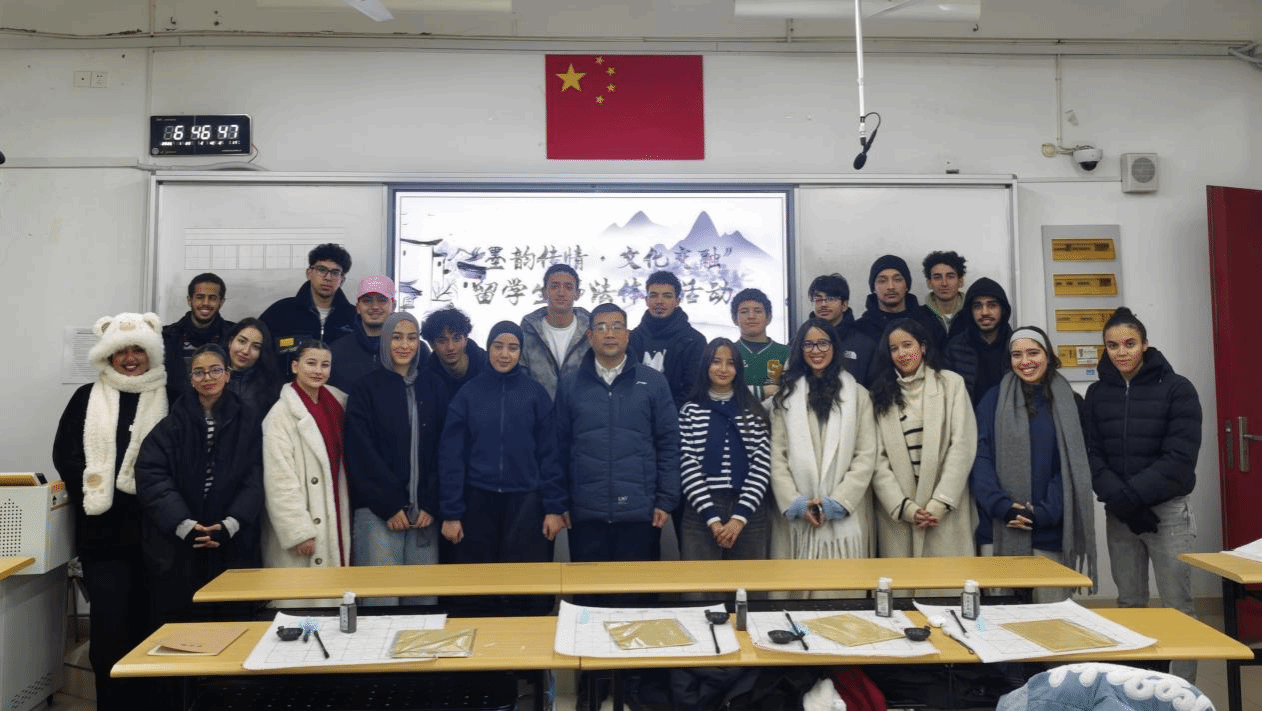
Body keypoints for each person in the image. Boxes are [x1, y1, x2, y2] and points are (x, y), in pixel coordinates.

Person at [52, 312, 168, 711]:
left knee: (153, 634)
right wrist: (100, 492)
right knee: (109, 636)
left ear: (151, 352)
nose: (130, 358)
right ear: (108, 355)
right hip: (103, 539)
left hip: (157, 540)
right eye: (121, 351)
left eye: (138, 349)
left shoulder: (171, 397)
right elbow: (66, 456)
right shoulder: (86, 397)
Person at [1084, 308, 1202, 681]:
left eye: (1130, 344)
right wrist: (1122, 501)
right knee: (1130, 605)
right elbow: (1092, 454)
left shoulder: (1177, 388)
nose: (1121, 352)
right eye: (1113, 345)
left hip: (1167, 513)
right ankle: (1135, 687)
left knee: (1177, 607)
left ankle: (1181, 692)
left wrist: (1132, 497)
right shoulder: (1097, 393)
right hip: (1121, 514)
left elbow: (1179, 459)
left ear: (1145, 344)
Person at [438, 321, 565, 616]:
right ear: (488, 348)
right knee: (478, 589)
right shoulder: (469, 393)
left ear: (520, 352)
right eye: (498, 346)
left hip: (526, 504)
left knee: (525, 587)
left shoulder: (535, 394)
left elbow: (551, 456)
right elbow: (451, 457)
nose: (504, 354)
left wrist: (554, 508)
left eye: (512, 348)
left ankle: (526, 645)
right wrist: (451, 513)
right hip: (477, 502)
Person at [135, 344, 263, 623]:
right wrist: (183, 523)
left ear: (227, 375)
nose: (208, 378)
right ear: (191, 379)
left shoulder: (249, 420)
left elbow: (256, 477)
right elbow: (151, 475)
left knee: (233, 621)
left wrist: (231, 523)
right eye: (199, 372)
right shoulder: (172, 423)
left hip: (233, 537)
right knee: (185, 622)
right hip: (182, 541)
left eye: (215, 370)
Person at [970, 326, 1096, 603]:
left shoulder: (1071, 403)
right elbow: (980, 458)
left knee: (1051, 616)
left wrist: (1043, 513)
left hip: (1049, 530)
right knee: (1001, 617)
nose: (1025, 361)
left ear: (1048, 355)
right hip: (999, 528)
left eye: (1033, 353)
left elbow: (1073, 468)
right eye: (1017, 355)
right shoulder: (992, 400)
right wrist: (1002, 507)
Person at [556, 303, 680, 580]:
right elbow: (559, 447)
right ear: (590, 337)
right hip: (586, 513)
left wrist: (665, 500)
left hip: (640, 513)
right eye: (601, 328)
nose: (609, 334)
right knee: (588, 596)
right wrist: (559, 502)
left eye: (616, 327)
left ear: (627, 335)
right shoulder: (570, 384)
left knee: (637, 596)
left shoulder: (653, 382)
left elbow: (669, 444)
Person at [768, 318, 877, 596]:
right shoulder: (785, 397)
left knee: (840, 600)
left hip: (844, 512)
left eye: (823, 343)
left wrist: (837, 503)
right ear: (800, 349)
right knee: (795, 598)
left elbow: (866, 455)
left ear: (834, 347)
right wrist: (796, 503)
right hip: (797, 516)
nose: (816, 350)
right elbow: (777, 456)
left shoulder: (858, 395)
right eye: (808, 344)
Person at [344, 313, 443, 606]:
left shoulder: (434, 386)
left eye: (412, 338)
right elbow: (361, 452)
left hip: (424, 515)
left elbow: (444, 449)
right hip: (378, 513)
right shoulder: (365, 389)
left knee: (422, 601)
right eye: (397, 337)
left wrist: (431, 502)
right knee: (380, 600)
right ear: (385, 340)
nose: (404, 345)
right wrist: (389, 504)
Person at [869, 319, 977, 561]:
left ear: (923, 346)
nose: (901, 353)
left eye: (907, 345)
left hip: (945, 512)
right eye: (894, 348)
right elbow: (877, 460)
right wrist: (905, 507)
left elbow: (962, 445)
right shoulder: (878, 395)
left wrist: (940, 502)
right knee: (903, 583)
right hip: (899, 517)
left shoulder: (951, 384)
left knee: (947, 581)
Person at [261, 340, 350, 604]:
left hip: (335, 507)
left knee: (334, 596)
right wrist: (298, 532)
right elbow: (279, 480)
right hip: (307, 517)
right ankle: (305, 630)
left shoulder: (338, 401)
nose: (318, 371)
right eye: (311, 363)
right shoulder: (279, 416)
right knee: (303, 605)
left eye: (325, 365)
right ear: (294, 366)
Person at [678, 337, 772, 563]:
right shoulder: (690, 411)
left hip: (749, 511)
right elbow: (688, 466)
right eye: (716, 362)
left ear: (738, 369)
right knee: (700, 583)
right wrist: (712, 518)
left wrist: (739, 517)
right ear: (705, 365)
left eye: (730, 363)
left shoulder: (753, 411)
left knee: (749, 582)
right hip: (701, 511)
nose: (723, 369)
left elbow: (761, 466)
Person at [260, 243, 357, 361]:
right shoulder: (280, 311)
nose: (328, 277)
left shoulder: (353, 317)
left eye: (335, 272)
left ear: (342, 280)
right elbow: (257, 349)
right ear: (309, 273)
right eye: (321, 270)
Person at [331, 275, 426, 392]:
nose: (375, 307)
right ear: (358, 307)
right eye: (367, 301)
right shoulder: (337, 350)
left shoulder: (416, 349)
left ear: (393, 305)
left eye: (382, 300)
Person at [628, 269, 707, 409]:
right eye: (653, 295)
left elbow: (693, 389)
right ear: (646, 300)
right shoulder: (631, 339)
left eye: (667, 296)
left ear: (677, 301)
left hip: (678, 418)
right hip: (635, 416)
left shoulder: (695, 341)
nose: (659, 301)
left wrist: (666, 417)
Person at [519, 263, 591, 400]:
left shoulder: (591, 332)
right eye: (554, 286)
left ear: (577, 294)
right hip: (539, 410)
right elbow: (520, 380)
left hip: (582, 411)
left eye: (568, 287)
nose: (561, 293)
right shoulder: (528, 331)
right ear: (544, 292)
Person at [162, 273, 235, 402]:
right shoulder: (166, 336)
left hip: (222, 409)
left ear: (221, 302)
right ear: (189, 300)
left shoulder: (234, 336)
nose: (205, 303)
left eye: (212, 298)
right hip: (176, 410)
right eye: (200, 297)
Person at [944, 278, 1014, 407]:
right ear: (970, 312)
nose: (984, 312)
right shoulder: (955, 348)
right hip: (967, 417)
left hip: (1007, 417)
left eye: (992, 305)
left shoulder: (1016, 346)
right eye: (977, 306)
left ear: (1003, 309)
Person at [854, 255, 942, 352]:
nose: (891, 287)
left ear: (906, 285)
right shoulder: (860, 329)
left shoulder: (929, 322)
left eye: (897, 280)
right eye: (882, 281)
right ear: (874, 288)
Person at [806, 273, 876, 387]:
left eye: (830, 299)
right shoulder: (800, 341)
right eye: (818, 299)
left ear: (844, 305)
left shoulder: (865, 345)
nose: (823, 304)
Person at [730, 287, 790, 401]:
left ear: (769, 318)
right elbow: (720, 391)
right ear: (734, 319)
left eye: (758, 311)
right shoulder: (727, 352)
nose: (751, 316)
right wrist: (763, 391)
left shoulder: (786, 353)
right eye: (744, 312)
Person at [421, 304, 486, 402]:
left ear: (466, 339)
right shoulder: (426, 379)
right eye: (442, 341)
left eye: (457, 338)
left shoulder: (488, 366)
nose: (450, 347)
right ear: (432, 344)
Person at [223, 317, 284, 415]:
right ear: (230, 342)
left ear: (261, 352)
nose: (246, 351)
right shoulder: (211, 374)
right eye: (242, 341)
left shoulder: (269, 387)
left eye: (255, 347)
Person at [919, 251, 969, 347]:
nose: (944, 283)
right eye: (937, 277)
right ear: (929, 283)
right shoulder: (917, 317)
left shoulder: (972, 314)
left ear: (960, 282)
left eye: (950, 277)